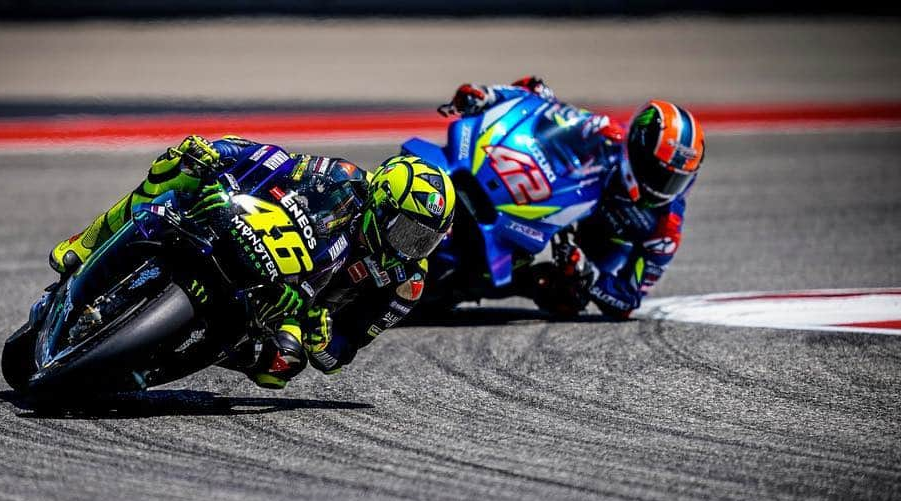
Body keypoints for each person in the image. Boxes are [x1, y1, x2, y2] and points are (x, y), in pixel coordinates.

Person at [49, 135, 455, 389]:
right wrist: (221, 153)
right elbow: (276, 163)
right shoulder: (342, 178)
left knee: (279, 368)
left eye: (425, 240)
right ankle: (86, 243)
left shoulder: (406, 283)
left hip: (292, 309)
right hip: (258, 232)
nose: (411, 247)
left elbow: (338, 358)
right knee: (177, 174)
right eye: (407, 230)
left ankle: (158, 360)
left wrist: (320, 335)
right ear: (381, 203)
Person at [440, 76, 704, 319]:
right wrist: (490, 95)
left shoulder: (665, 230)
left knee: (566, 296)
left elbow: (628, 298)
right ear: (636, 147)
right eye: (658, 174)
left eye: (675, 179)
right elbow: (548, 107)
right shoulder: (606, 133)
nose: (664, 187)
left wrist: (591, 276)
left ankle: (464, 285)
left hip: (589, 252)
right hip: (550, 196)